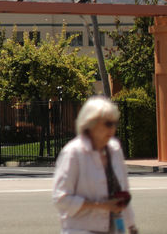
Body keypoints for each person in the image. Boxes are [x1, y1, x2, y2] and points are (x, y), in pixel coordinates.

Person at [53, 96, 139, 234]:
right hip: (81, 229)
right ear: (91, 123)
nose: (112, 129)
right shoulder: (74, 152)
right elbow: (61, 198)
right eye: (108, 124)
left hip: (115, 228)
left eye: (115, 124)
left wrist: (132, 226)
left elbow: (124, 192)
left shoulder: (115, 149)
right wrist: (102, 206)